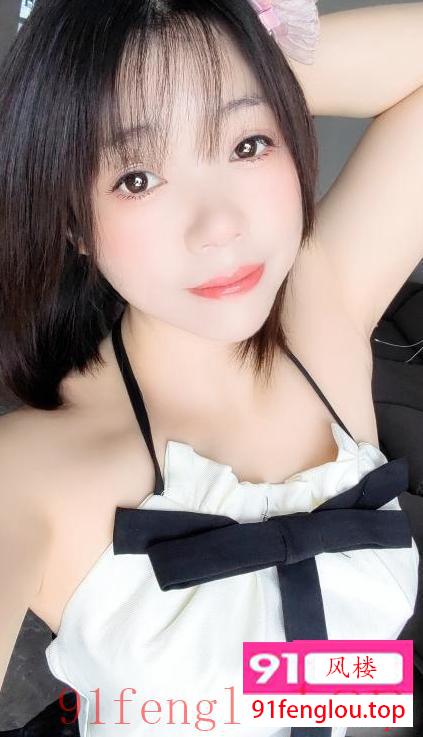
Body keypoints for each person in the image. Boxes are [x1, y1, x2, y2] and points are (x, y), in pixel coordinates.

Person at [0, 1, 422, 735]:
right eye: (137, 178)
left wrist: (231, 60)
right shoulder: (29, 476)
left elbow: (336, 686)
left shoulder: (321, 314)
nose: (219, 226)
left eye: (248, 143)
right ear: (71, 219)